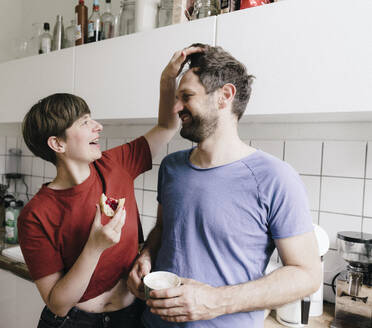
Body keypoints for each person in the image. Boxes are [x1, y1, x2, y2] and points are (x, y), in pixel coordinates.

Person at [127, 44, 322, 328]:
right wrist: (146, 255)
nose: (176, 108)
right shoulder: (171, 167)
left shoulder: (275, 177)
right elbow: (164, 229)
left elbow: (307, 275)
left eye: (187, 97)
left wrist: (216, 301)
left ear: (225, 96)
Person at [18, 46, 203, 328]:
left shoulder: (116, 164)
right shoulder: (36, 214)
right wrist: (94, 247)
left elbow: (167, 126)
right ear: (58, 144)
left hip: (131, 316)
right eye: (85, 122)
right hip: (76, 321)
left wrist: (167, 80)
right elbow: (57, 302)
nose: (98, 126)